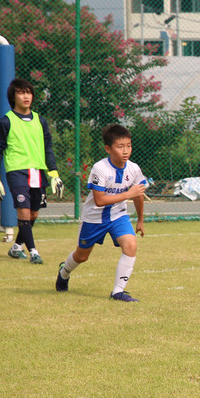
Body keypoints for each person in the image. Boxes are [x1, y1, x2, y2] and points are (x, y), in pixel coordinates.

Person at [55, 124, 147, 302]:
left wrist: (141, 219)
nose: (126, 150)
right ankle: (64, 271)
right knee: (82, 256)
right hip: (94, 218)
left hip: (119, 215)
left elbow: (138, 195)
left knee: (131, 245)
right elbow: (100, 200)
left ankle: (118, 292)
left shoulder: (134, 169)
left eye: (129, 145)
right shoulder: (100, 168)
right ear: (108, 148)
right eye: (120, 147)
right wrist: (129, 193)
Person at [0, 78, 64, 264]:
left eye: (28, 92)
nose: (26, 96)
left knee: (33, 214)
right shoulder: (6, 122)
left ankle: (16, 247)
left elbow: (48, 148)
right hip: (17, 172)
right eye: (21, 92)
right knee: (23, 212)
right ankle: (34, 252)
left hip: (38, 172)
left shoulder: (40, 120)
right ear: (13, 96)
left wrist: (54, 174)